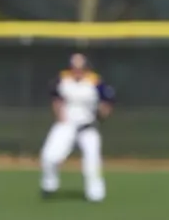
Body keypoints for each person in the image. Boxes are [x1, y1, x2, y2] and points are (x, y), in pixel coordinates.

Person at [39, 52, 115, 202]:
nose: (77, 71)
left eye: (81, 68)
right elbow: (55, 97)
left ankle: (96, 194)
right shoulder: (62, 79)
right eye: (74, 67)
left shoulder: (95, 81)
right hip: (66, 124)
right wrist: (59, 114)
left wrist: (101, 116)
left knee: (92, 162)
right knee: (49, 156)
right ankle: (49, 185)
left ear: (86, 68)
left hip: (87, 126)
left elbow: (108, 101)